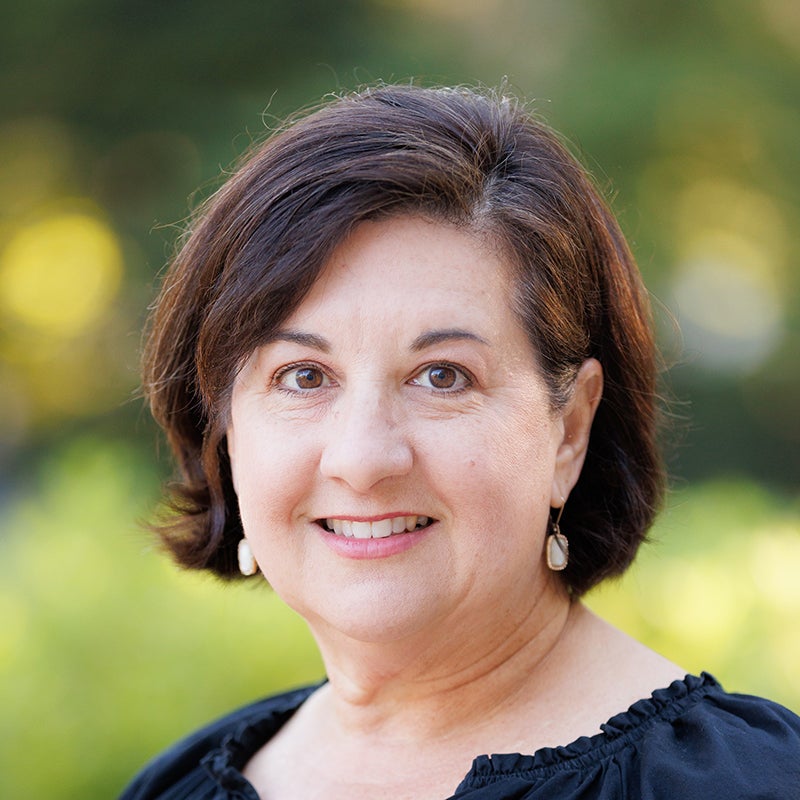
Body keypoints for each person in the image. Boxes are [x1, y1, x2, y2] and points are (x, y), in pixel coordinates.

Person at [121, 84, 800, 799]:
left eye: (442, 376)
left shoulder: (748, 784)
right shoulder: (175, 787)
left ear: (570, 429)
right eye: (303, 376)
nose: (362, 459)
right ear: (227, 432)